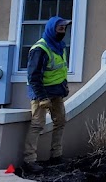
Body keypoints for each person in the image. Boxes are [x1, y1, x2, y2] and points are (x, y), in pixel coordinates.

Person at [23, 16, 71, 172]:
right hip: (41, 92)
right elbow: (33, 76)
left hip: (56, 91)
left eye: (64, 29)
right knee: (37, 124)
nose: (62, 32)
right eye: (60, 29)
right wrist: (42, 97)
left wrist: (63, 87)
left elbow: (61, 69)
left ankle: (56, 155)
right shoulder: (40, 49)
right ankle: (29, 160)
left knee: (60, 121)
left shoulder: (60, 46)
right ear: (52, 29)